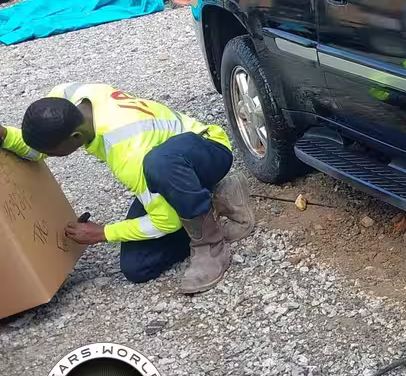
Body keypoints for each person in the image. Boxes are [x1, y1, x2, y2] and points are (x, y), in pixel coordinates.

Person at [0, 83, 254, 294]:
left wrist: (103, 233)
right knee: (137, 266)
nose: (49, 157)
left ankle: (210, 246)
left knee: (160, 165)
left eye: (53, 153)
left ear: (75, 137)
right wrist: (5, 135)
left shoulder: (128, 152)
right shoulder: (66, 97)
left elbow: (165, 222)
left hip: (207, 149)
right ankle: (216, 197)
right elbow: (39, 146)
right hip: (169, 168)